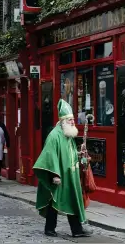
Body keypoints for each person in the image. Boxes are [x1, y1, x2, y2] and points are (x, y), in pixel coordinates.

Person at [33, 99, 92, 237]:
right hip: (59, 176)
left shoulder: (68, 134)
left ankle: (76, 230)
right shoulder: (54, 136)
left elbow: (68, 154)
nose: (73, 122)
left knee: (72, 201)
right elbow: (49, 155)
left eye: (73, 119)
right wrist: (54, 175)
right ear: (63, 120)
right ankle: (50, 228)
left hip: (70, 175)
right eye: (70, 119)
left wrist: (79, 154)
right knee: (54, 201)